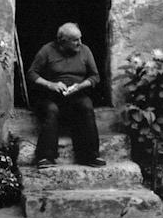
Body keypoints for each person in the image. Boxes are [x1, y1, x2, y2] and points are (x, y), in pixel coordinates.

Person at [27, 22, 106, 169]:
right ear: (62, 41)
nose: (79, 43)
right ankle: (45, 156)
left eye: (80, 38)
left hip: (76, 94)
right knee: (51, 110)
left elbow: (95, 76)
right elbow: (32, 74)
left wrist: (80, 86)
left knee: (86, 106)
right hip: (50, 96)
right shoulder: (47, 50)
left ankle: (90, 155)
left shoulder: (85, 50)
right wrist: (50, 84)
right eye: (75, 40)